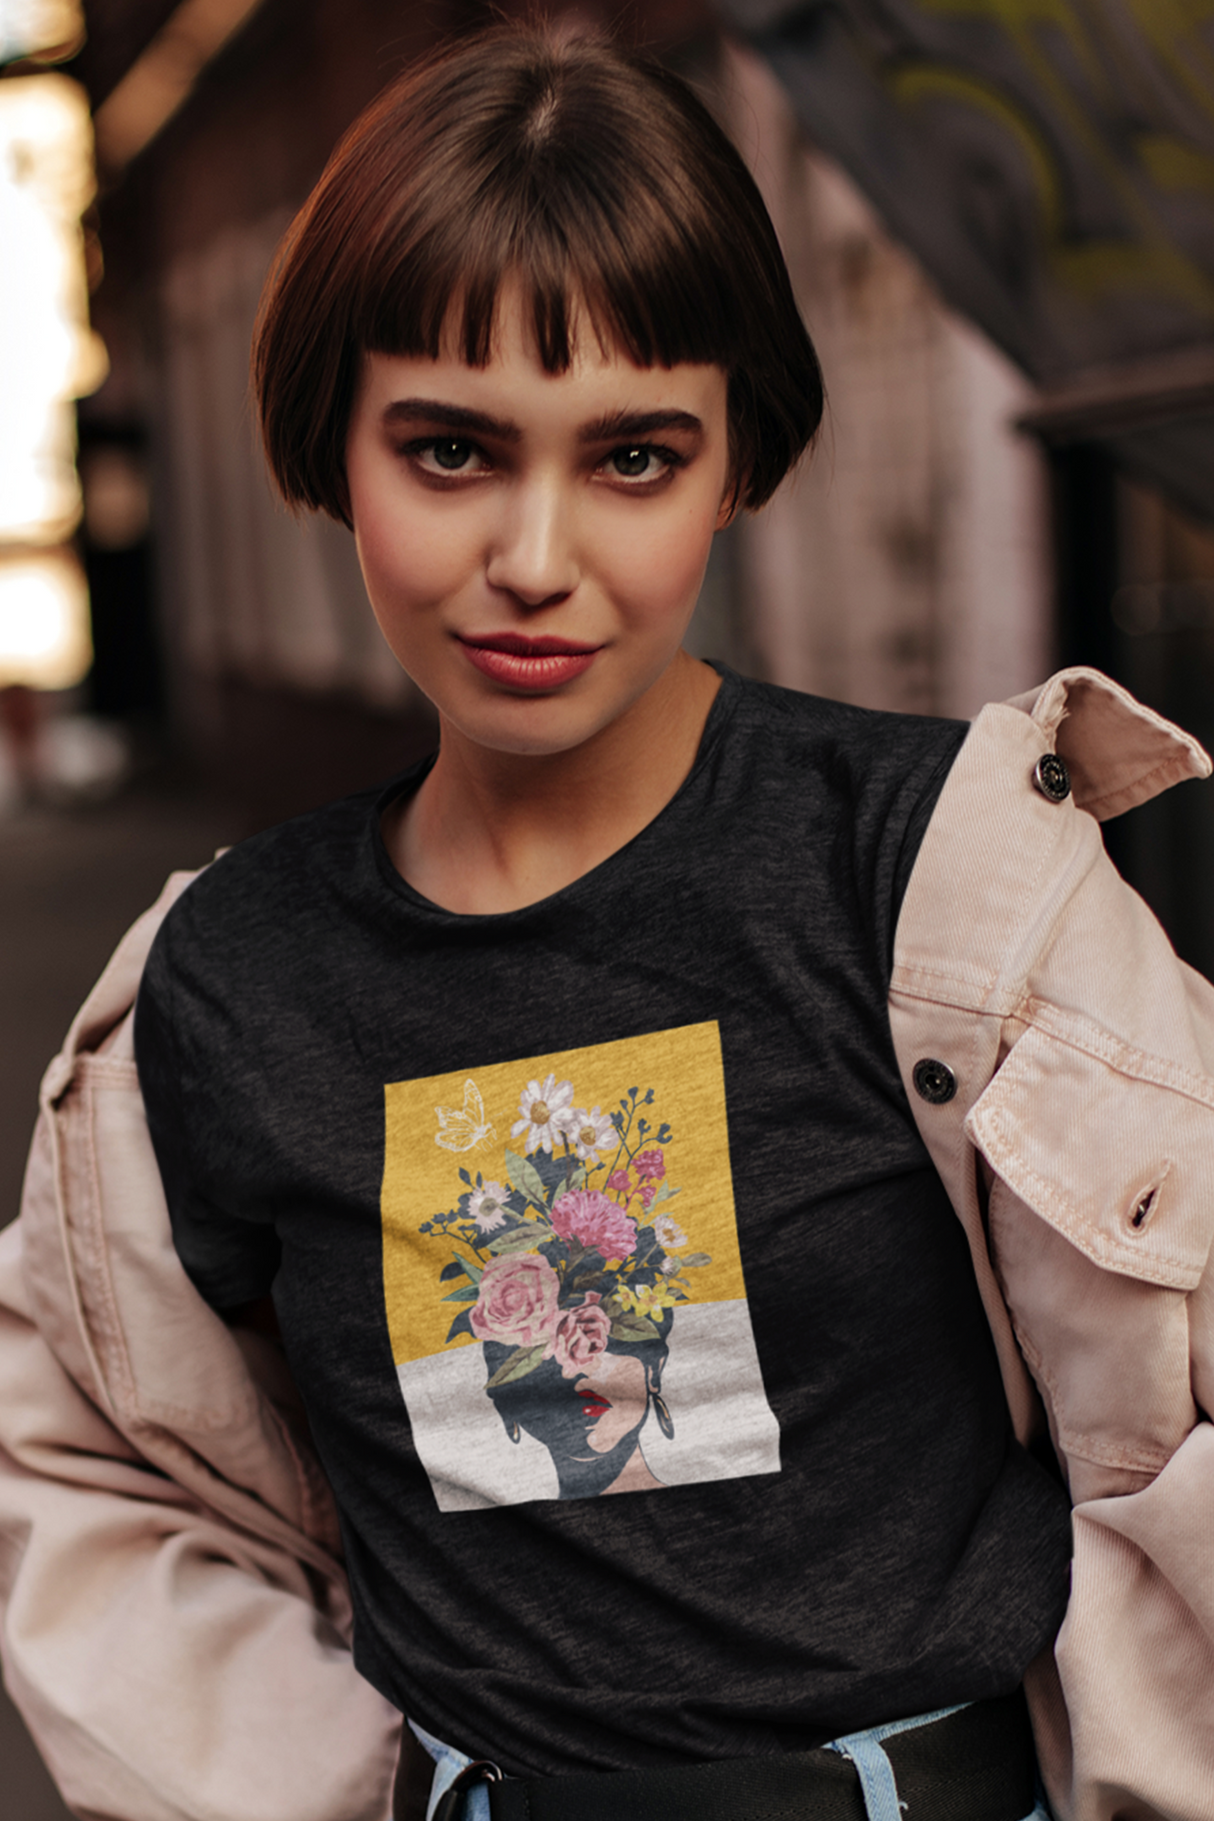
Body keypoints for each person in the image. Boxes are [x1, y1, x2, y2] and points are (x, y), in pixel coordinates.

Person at [3, 20, 1214, 1821]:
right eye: (451, 450)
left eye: (634, 456)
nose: (537, 556)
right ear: (329, 447)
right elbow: (92, 1486)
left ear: (740, 459)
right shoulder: (224, 983)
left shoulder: (944, 883)